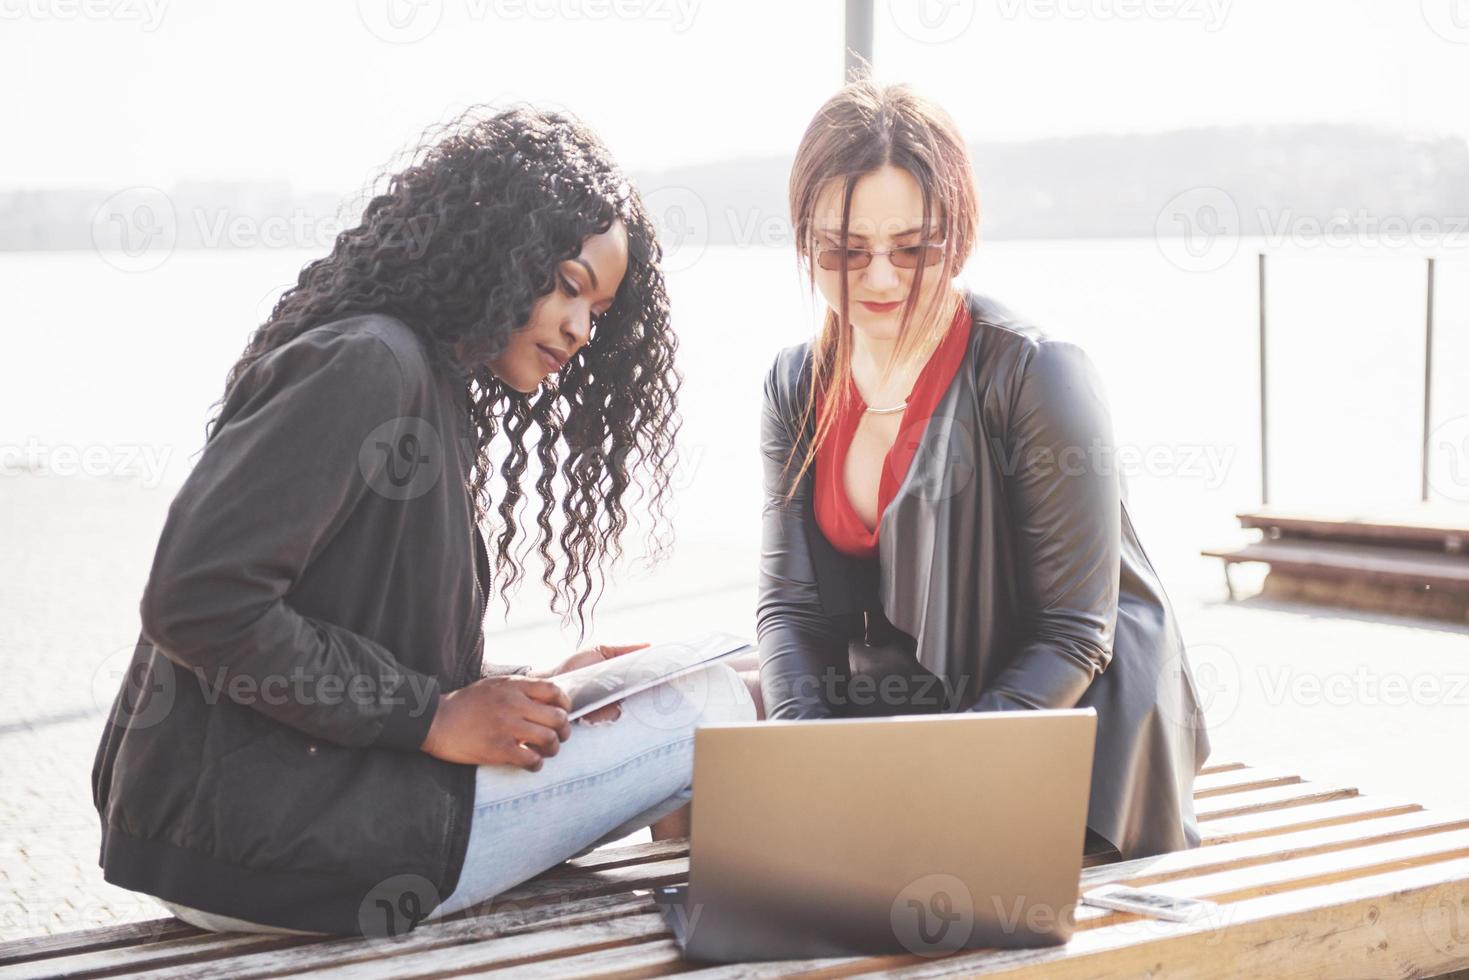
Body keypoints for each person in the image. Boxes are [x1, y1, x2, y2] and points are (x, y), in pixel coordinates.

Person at [91, 104, 753, 937]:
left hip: (293, 829)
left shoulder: (419, 381)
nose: (582, 328)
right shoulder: (367, 362)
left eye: (599, 311)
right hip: (282, 851)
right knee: (720, 710)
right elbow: (198, 600)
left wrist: (539, 688)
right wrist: (430, 717)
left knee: (712, 682)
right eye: (569, 286)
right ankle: (726, 946)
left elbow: (352, 631)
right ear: (499, 247)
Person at [755, 80, 1212, 861]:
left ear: (958, 238)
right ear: (804, 241)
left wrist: (948, 776)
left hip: (1076, 736)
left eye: (913, 249)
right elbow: (790, 609)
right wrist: (809, 761)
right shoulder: (795, 384)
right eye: (842, 251)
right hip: (923, 715)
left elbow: (1074, 634)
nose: (879, 280)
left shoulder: (1037, 372)